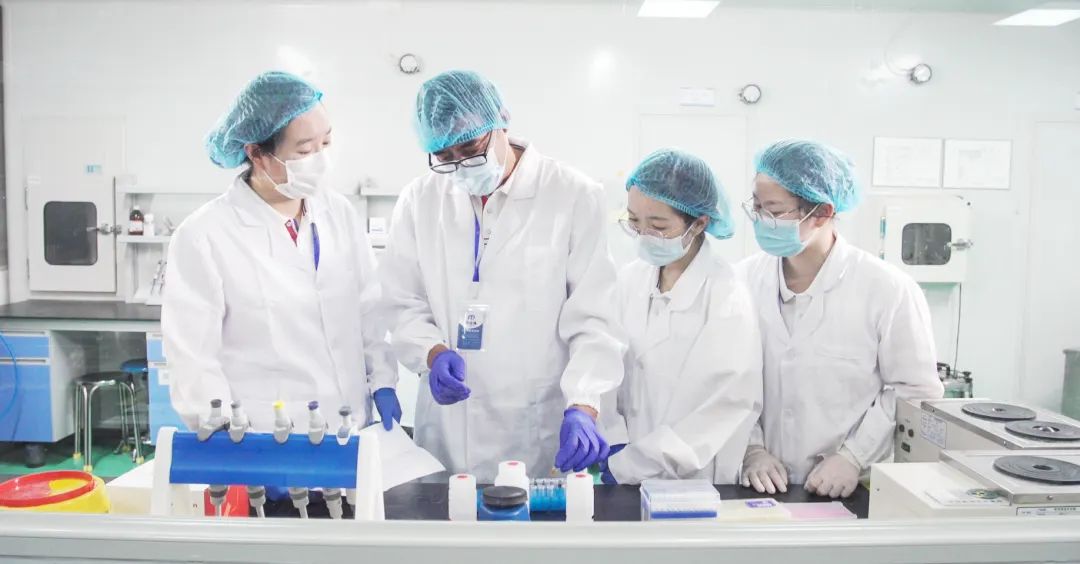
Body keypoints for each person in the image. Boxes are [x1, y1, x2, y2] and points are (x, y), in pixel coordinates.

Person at [380, 70, 626, 481]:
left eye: (470, 147)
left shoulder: (571, 194)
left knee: (531, 518)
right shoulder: (420, 200)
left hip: (535, 424)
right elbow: (401, 300)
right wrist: (431, 352)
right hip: (449, 427)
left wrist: (584, 403)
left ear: (502, 121)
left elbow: (594, 316)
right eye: (444, 156)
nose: (460, 165)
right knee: (446, 514)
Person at [163, 71, 400, 437]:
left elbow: (368, 310)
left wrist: (382, 379)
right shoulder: (204, 236)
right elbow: (193, 358)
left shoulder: (338, 213)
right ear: (257, 153)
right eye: (304, 151)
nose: (320, 160)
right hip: (268, 438)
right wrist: (224, 433)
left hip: (352, 428)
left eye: (326, 143)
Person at [738, 139, 943, 499]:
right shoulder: (741, 281)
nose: (761, 219)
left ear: (821, 212)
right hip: (757, 484)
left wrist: (853, 456)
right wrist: (751, 448)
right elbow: (727, 381)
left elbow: (916, 389)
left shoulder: (887, 289)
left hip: (851, 486)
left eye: (774, 210)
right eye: (756, 206)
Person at [598, 149, 762, 485]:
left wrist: (634, 464)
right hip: (625, 466)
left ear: (699, 223)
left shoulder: (726, 296)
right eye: (634, 221)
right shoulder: (630, 279)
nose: (644, 235)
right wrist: (612, 437)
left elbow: (723, 406)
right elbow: (607, 361)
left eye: (658, 226)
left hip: (694, 478)